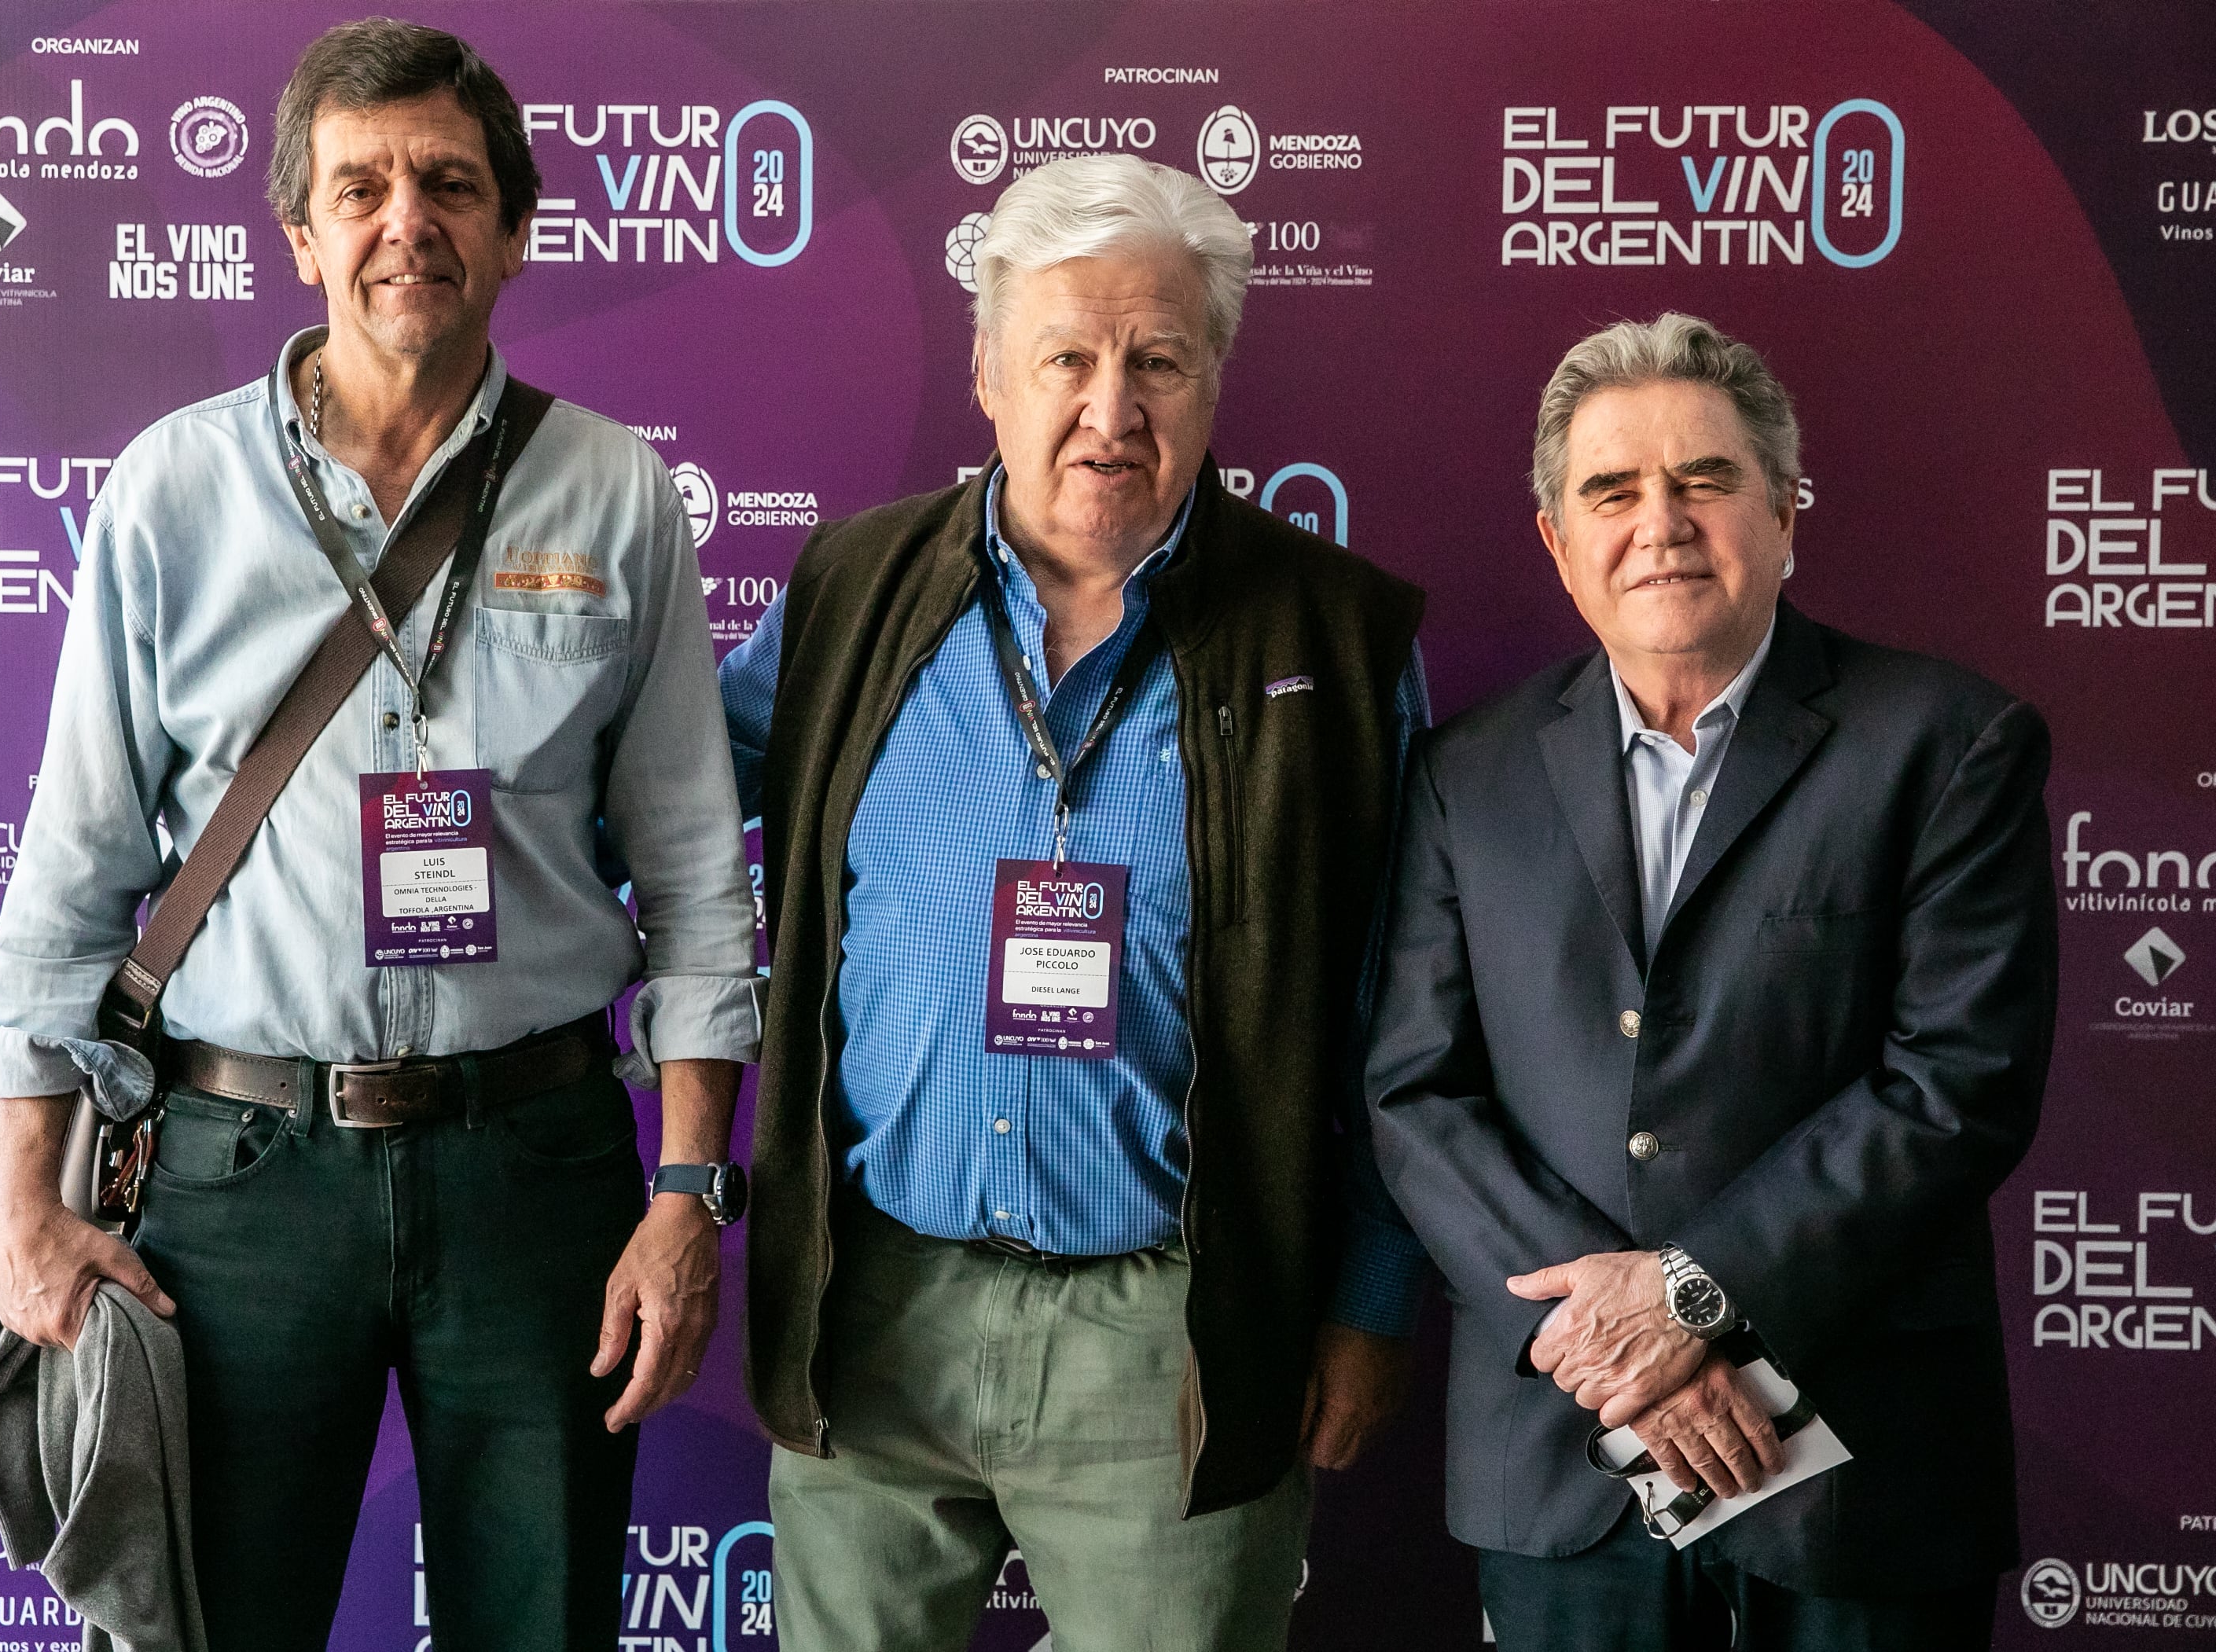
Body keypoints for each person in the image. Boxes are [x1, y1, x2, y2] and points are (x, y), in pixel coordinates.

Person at [0, 20, 759, 1649]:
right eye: (365, 186)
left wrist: (686, 1193)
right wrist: (18, 1199)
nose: (409, 220)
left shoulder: (616, 493)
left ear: (516, 229)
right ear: (301, 230)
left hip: (533, 1171)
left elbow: (693, 879)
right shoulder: (170, 492)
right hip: (242, 1181)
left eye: (451, 184)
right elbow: (74, 868)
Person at [718, 152, 1431, 1652]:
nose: (1111, 409)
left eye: (1157, 359)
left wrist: (1365, 1298)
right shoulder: (850, 589)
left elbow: (1396, 1003)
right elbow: (657, 815)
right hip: (873, 1301)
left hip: (1167, 1326)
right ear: (986, 373)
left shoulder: (1337, 637)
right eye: (1066, 357)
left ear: (1214, 378)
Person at [1366, 313, 2056, 1649]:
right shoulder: (1467, 775)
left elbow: (1954, 1083)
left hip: (1859, 1471)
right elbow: (1413, 1093)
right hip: (1564, 1463)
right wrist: (1618, 1353)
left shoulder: (1948, 743)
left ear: (1787, 511)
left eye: (1705, 480)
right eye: (1611, 491)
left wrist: (1691, 1295)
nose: (1660, 524)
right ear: (1558, 543)